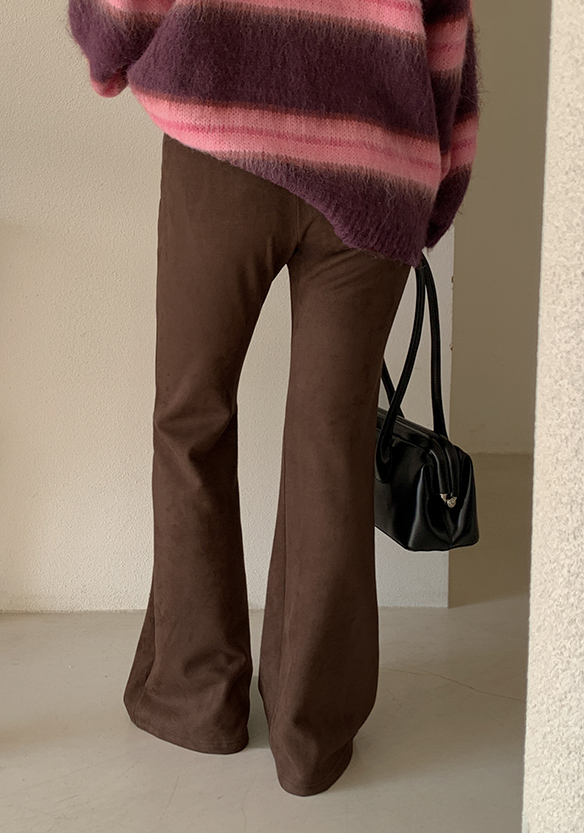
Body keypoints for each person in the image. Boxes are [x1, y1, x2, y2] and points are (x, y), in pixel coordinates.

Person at [66, 0, 481, 796]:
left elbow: (121, 13)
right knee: (332, 440)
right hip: (377, 161)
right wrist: (435, 191)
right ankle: (310, 733)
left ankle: (194, 696)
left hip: (227, 133)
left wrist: (106, 41)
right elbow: (448, 29)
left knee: (191, 416)